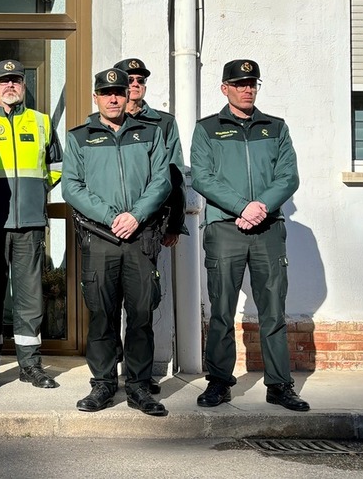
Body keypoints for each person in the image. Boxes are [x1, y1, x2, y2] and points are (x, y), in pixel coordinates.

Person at [191, 59, 308, 412]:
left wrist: (262, 207)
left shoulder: (275, 128)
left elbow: (288, 176)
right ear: (224, 88)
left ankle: (279, 385)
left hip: (269, 227)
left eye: (252, 84)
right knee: (222, 309)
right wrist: (243, 207)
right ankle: (219, 383)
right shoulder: (207, 129)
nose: (247, 89)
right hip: (224, 228)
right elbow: (202, 176)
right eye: (239, 84)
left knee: (273, 310)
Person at [62, 68, 171, 416]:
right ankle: (104, 385)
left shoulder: (150, 134)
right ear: (95, 97)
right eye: (105, 92)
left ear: (128, 96)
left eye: (119, 92)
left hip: (140, 238)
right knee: (102, 315)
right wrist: (112, 216)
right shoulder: (79, 137)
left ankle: (139, 386)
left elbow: (162, 181)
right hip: (99, 238)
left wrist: (136, 215)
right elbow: (71, 187)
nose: (113, 98)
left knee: (140, 314)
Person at [0, 59, 62, 390]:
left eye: (16, 81)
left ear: (24, 86)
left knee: (29, 298)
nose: (10, 86)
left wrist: (37, 191)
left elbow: (57, 165)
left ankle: (31, 365)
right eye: (4, 81)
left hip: (30, 223)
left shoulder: (41, 122)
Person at [114, 57, 188, 394]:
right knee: (106, 301)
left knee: (143, 302)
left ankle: (139, 372)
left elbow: (173, 175)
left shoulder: (163, 123)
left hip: (148, 227)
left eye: (140, 79)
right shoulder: (103, 121)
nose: (135, 84)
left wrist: (174, 222)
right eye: (129, 79)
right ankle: (109, 370)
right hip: (108, 226)